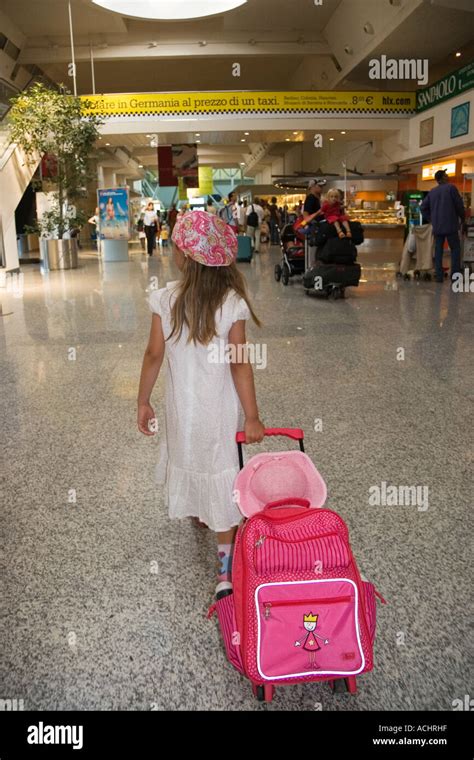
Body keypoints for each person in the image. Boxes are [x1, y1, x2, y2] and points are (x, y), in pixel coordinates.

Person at [137, 210, 265, 598]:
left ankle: (197, 510)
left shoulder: (166, 299)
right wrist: (253, 416)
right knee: (220, 471)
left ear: (187, 256)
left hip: (182, 412)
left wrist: (143, 401)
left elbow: (153, 355)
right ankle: (224, 573)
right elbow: (240, 364)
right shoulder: (230, 303)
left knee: (190, 456)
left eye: (177, 245)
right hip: (219, 413)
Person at [420, 169, 465, 282]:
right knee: (455, 249)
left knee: (438, 250)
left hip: (438, 227)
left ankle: (439, 276)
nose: (447, 176)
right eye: (446, 175)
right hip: (450, 225)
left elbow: (422, 207)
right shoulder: (451, 188)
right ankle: (455, 276)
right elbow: (459, 205)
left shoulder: (432, 192)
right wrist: (463, 217)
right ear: (442, 178)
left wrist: (431, 219)